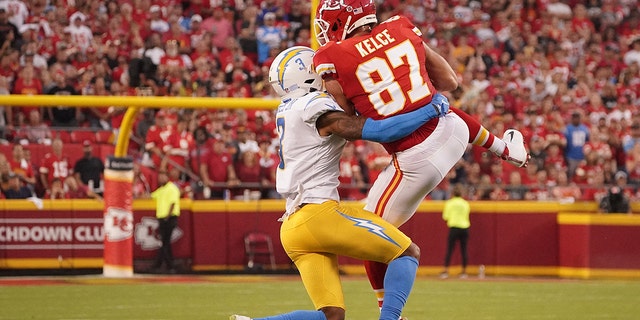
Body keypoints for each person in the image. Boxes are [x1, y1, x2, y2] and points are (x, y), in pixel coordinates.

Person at [312, 0, 529, 311]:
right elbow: (451, 83)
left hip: (415, 157)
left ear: (340, 20)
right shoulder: (401, 25)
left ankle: (387, 312)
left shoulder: (330, 56)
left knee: (368, 231)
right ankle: (507, 149)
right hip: (454, 129)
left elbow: (347, 119)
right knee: (439, 106)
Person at [231, 46, 450, 320]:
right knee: (406, 252)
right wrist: (429, 110)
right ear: (310, 75)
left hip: (293, 226)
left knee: (331, 315)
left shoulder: (288, 108)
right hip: (318, 216)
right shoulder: (315, 106)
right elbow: (374, 130)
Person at [149, 170, 181, 273]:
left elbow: (173, 203)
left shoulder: (172, 188)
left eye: (163, 176)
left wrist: (167, 216)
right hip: (163, 218)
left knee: (165, 243)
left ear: (168, 177)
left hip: (169, 218)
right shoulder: (162, 189)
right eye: (160, 177)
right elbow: (151, 196)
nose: (160, 179)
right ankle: (168, 265)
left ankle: (164, 265)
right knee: (165, 243)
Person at [439, 184, 471, 279]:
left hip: (454, 227)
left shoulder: (449, 203)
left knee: (449, 249)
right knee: (464, 250)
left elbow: (445, 216)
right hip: (464, 227)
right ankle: (464, 272)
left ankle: (445, 270)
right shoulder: (465, 203)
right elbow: (467, 214)